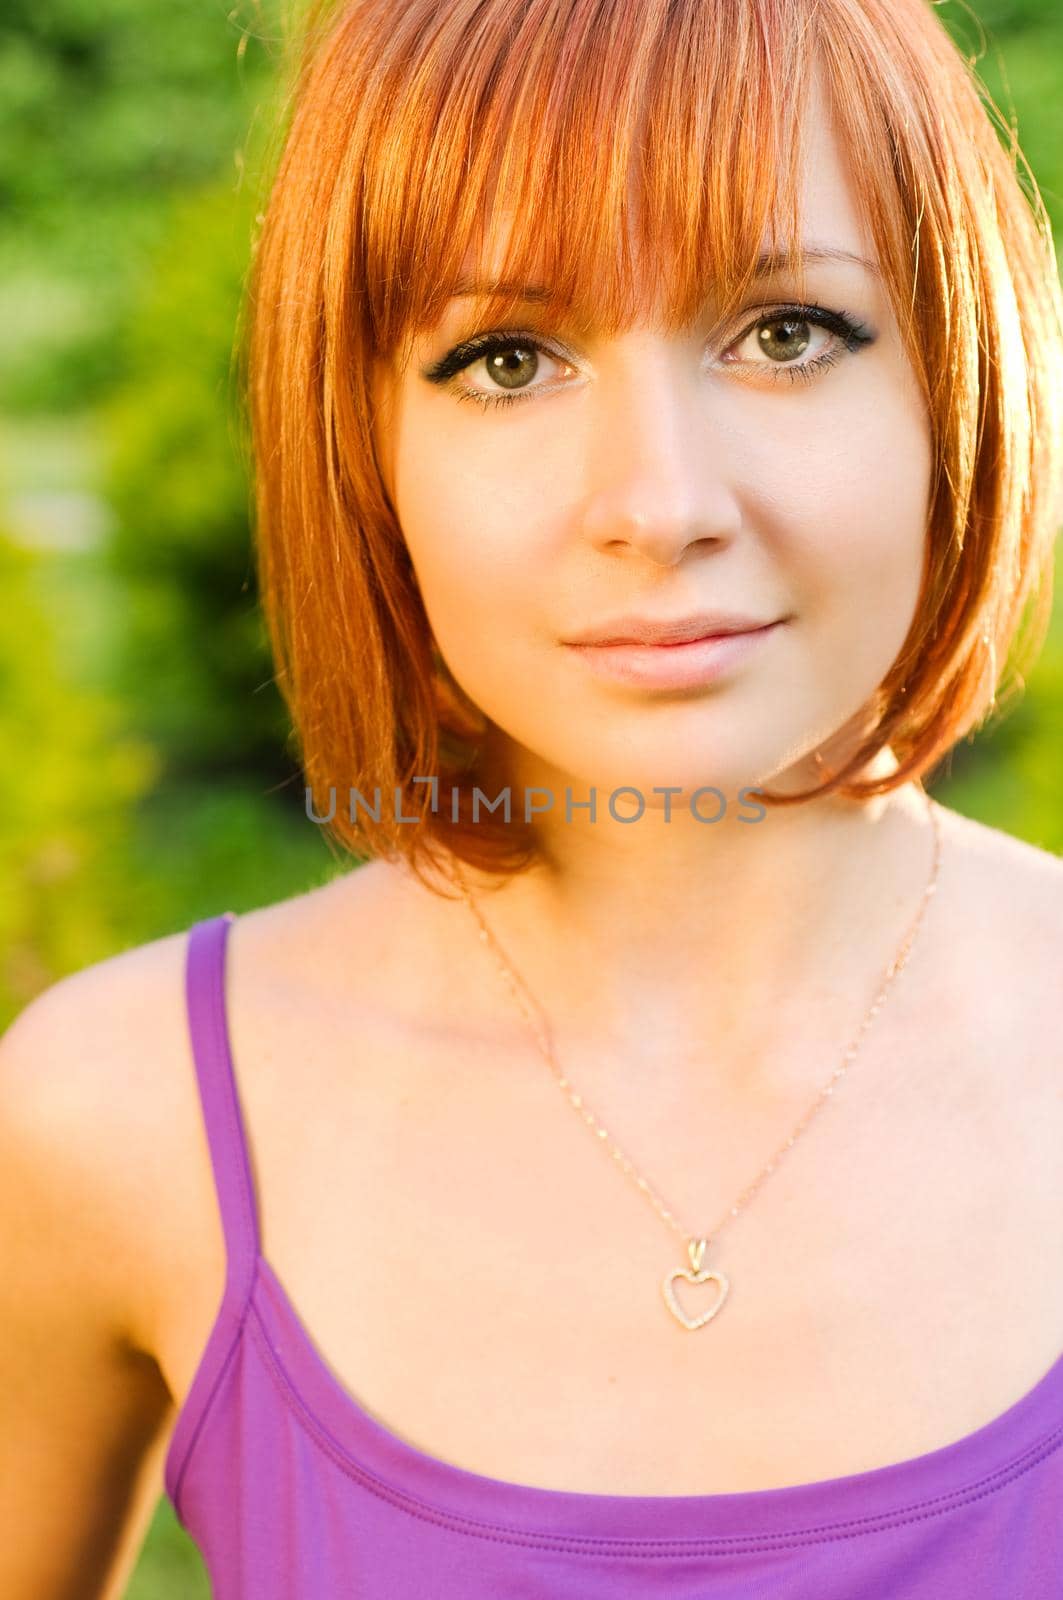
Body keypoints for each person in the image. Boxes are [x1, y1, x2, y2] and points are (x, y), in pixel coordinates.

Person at [2, 0, 1062, 1594]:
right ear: (363, 448)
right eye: (507, 358)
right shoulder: (117, 1115)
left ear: (950, 379)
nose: (660, 503)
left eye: (785, 331)